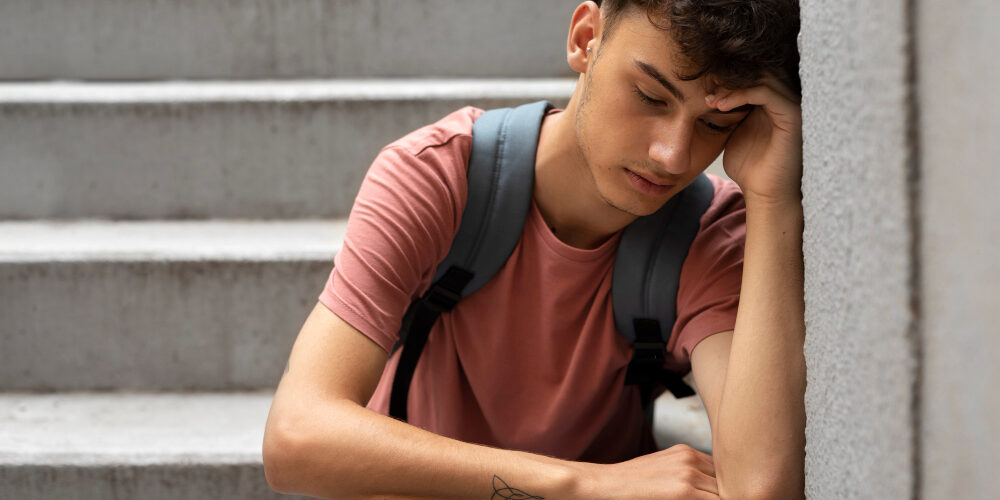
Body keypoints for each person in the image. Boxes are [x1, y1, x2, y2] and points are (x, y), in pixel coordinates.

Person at [263, 0, 805, 498]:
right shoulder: (439, 176)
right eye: (649, 96)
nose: (672, 155)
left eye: (714, 123)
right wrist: (579, 485)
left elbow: (761, 486)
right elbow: (297, 436)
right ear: (585, 38)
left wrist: (773, 197)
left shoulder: (709, 233)